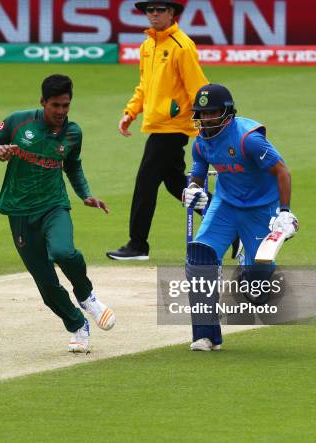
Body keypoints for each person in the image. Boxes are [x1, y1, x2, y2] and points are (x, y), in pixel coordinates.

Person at [0, 74, 115, 353]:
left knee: (64, 252)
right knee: (45, 282)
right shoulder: (19, 121)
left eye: (66, 105)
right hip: (18, 210)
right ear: (43, 102)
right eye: (56, 105)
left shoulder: (73, 132)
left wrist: (85, 194)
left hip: (54, 205)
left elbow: (73, 165)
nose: (62, 112)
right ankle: (77, 325)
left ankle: (86, 295)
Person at [182, 83, 299, 351]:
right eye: (201, 113)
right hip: (225, 205)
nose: (205, 119)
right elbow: (198, 174)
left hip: (261, 209)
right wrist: (192, 192)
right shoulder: (201, 142)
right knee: (200, 257)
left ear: (227, 113)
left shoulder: (249, 139)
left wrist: (283, 212)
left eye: (211, 113)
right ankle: (206, 335)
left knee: (257, 292)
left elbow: (283, 172)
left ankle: (250, 261)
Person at [106, 0, 209, 260]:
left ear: (171, 13)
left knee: (145, 183)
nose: (153, 14)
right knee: (178, 186)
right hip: (157, 124)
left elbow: (198, 88)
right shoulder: (148, 45)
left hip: (173, 127)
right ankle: (230, 222)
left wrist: (206, 125)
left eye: (159, 10)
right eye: (149, 10)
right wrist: (130, 112)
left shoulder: (181, 46)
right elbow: (145, 85)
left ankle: (137, 245)